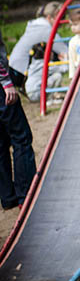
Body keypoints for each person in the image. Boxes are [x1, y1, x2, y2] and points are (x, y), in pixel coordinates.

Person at [0, 30, 35, 211]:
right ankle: (26, 194)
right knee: (21, 138)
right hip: (1, 88)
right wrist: (6, 82)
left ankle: (8, 197)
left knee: (1, 143)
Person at [8, 2, 67, 89]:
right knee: (60, 62)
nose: (62, 21)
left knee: (51, 55)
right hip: (22, 74)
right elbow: (65, 50)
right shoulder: (46, 30)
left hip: (13, 70)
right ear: (49, 17)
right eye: (61, 18)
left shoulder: (35, 25)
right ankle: (48, 94)